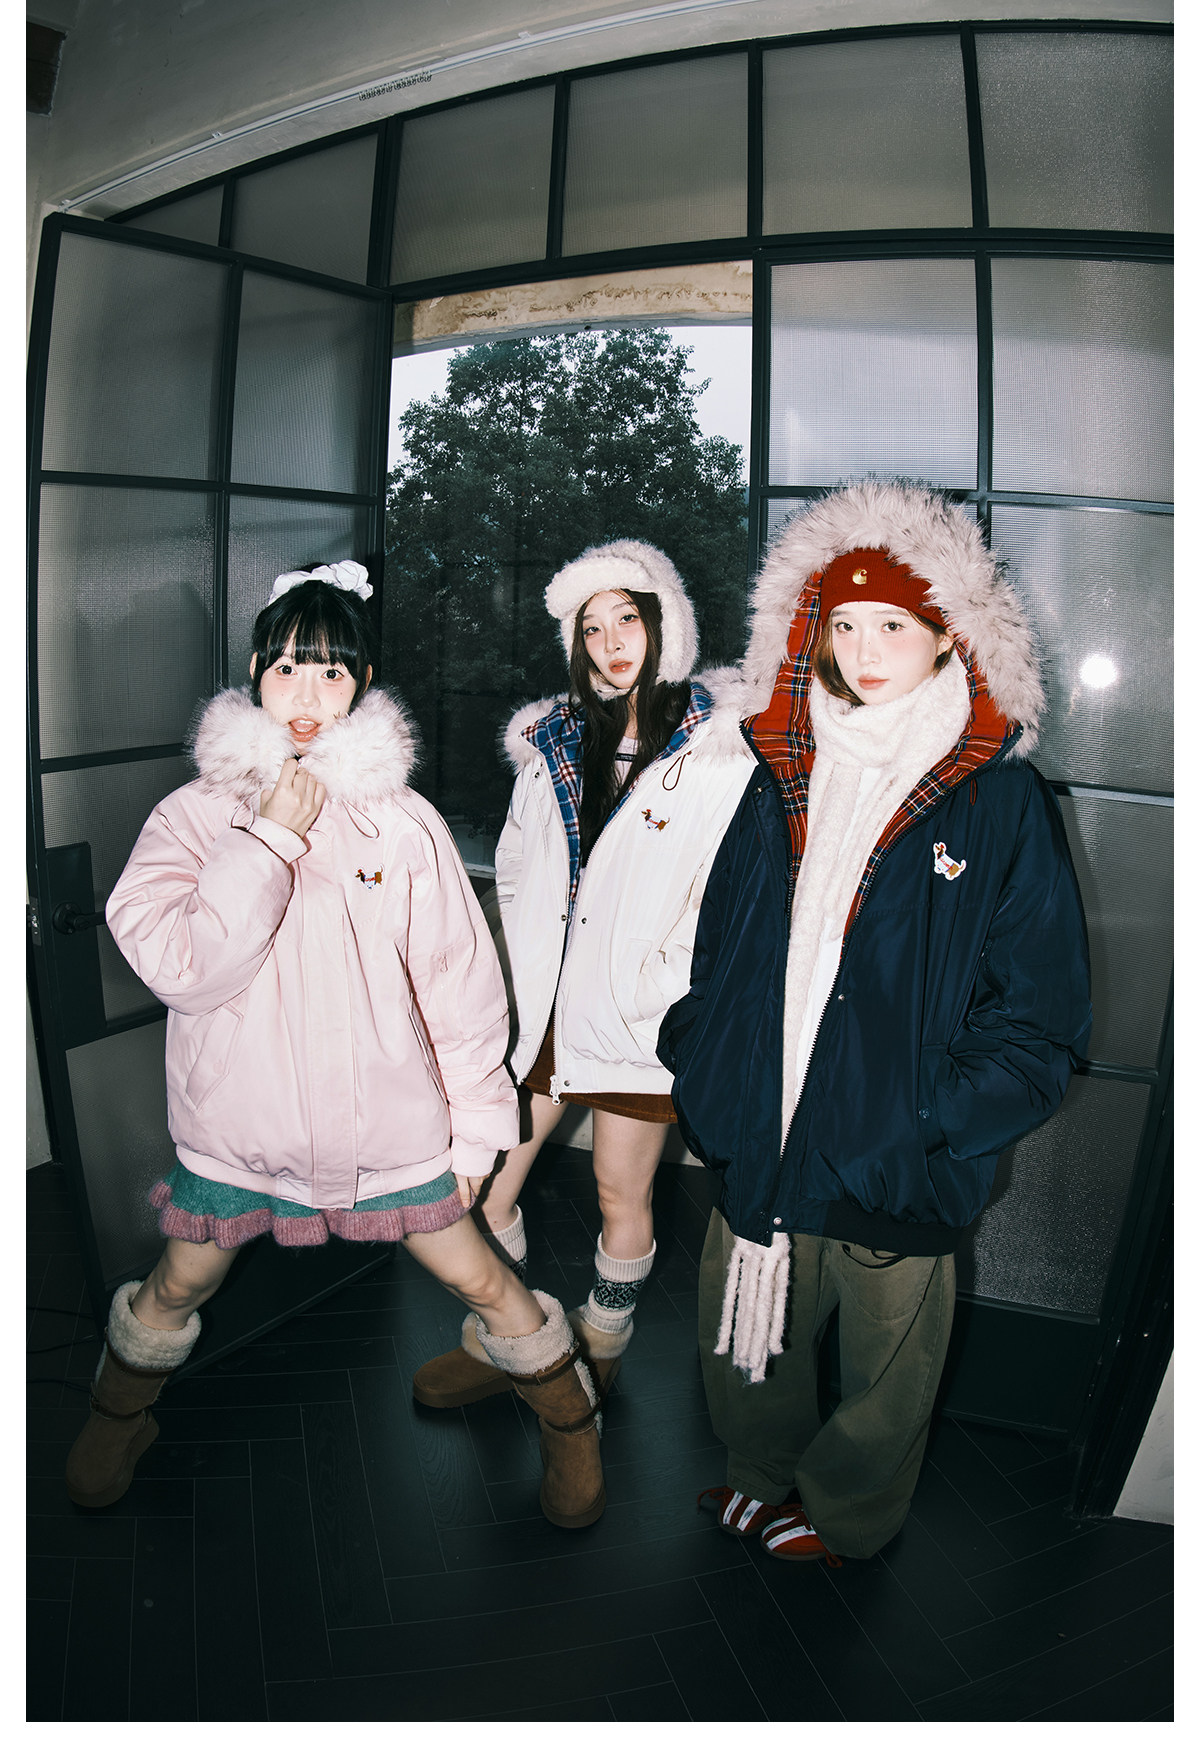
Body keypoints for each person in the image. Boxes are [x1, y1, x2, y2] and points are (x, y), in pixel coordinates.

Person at [65, 561, 606, 1530]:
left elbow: (458, 985)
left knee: (476, 1273)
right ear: (254, 674)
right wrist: (267, 840)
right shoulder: (196, 815)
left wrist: (477, 1131)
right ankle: (117, 1414)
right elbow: (181, 967)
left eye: (331, 672)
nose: (307, 696)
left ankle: (571, 1420)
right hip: (237, 1127)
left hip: (386, 1126)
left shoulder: (402, 822)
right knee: (180, 1278)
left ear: (361, 683)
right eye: (287, 669)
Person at [658, 480, 1092, 1565]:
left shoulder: (998, 799)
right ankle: (759, 1475)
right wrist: (703, 1056)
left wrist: (928, 1116)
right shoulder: (783, 770)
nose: (863, 650)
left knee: (889, 1361)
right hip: (762, 1116)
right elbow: (722, 942)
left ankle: (846, 1513)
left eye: (892, 625)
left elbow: (1040, 1015)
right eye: (844, 624)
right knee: (742, 1325)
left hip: (899, 1149)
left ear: (949, 634)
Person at [412, 540, 753, 1410]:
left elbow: (725, 888)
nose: (610, 642)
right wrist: (520, 960)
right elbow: (518, 864)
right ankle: (519, 1340)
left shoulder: (719, 751)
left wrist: (661, 976)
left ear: (666, 623)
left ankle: (601, 1345)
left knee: (618, 1193)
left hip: (640, 1012)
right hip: (544, 1010)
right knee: (483, 1194)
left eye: (626, 618)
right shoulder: (554, 744)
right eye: (591, 628)